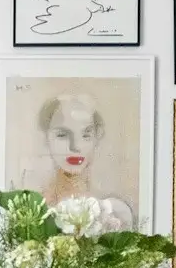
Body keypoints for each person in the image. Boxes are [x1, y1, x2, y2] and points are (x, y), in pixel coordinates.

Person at [27, 93, 135, 231]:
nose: (76, 146)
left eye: (86, 135)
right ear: (45, 138)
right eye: (62, 135)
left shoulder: (114, 212)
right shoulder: (33, 213)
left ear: (96, 138)